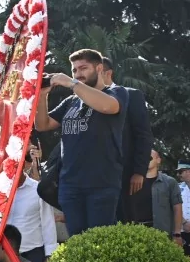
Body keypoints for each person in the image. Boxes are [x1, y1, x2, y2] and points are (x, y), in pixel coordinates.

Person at [35, 49, 130, 236]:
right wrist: (42, 95)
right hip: (70, 184)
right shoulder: (71, 101)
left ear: (99, 68)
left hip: (101, 183)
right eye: (74, 70)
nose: (78, 74)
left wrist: (71, 83)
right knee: (77, 242)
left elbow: (107, 106)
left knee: (99, 242)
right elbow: (43, 124)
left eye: (83, 68)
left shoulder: (117, 92)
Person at [101, 57, 153, 223]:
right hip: (95, 175)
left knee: (125, 219)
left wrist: (139, 171)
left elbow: (143, 135)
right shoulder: (84, 101)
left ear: (108, 73)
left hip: (126, 174)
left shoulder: (131, 95)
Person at [141, 150, 184, 243]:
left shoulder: (169, 182)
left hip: (162, 235)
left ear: (158, 160)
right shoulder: (134, 181)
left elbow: (177, 208)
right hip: (138, 233)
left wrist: (177, 234)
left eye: (149, 157)